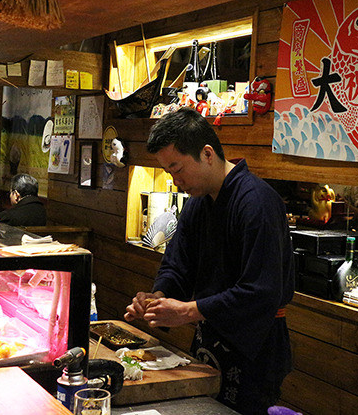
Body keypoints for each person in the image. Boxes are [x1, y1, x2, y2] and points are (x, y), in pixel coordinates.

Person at [124, 108, 294, 415]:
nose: (175, 181)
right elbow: (177, 266)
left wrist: (188, 311)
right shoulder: (198, 203)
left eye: (177, 169)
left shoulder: (257, 201)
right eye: (169, 172)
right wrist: (157, 297)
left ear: (207, 154)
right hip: (210, 337)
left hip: (256, 345)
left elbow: (262, 291)